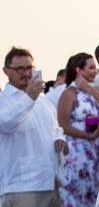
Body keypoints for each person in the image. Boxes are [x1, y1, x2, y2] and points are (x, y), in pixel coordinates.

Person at [1, 47, 67, 207]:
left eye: (29, 68)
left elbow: (56, 127)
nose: (26, 73)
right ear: (6, 71)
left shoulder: (43, 101)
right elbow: (5, 124)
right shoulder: (4, 100)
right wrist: (29, 98)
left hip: (51, 182)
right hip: (21, 186)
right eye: (20, 69)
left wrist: (59, 138)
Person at [57, 53, 99, 207]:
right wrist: (87, 135)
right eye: (91, 68)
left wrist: (88, 88)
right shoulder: (68, 94)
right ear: (78, 70)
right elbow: (63, 125)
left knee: (97, 195)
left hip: (98, 152)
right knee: (80, 197)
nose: (95, 71)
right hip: (79, 154)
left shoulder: (94, 90)